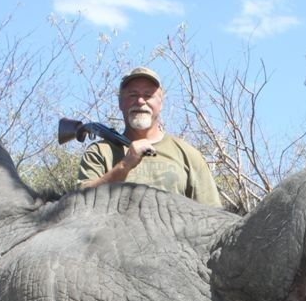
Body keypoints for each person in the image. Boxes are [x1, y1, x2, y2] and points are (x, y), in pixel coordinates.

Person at [77, 67, 221, 207]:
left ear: (160, 103)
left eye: (148, 95)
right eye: (132, 95)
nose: (140, 101)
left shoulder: (189, 155)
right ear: (120, 103)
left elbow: (213, 217)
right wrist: (124, 165)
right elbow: (80, 204)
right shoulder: (99, 152)